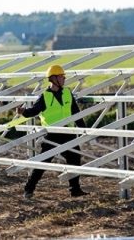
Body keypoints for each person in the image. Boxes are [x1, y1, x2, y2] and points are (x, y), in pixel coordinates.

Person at [16, 64, 88, 199]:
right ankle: (28, 189)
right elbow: (34, 111)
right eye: (61, 76)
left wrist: (84, 129)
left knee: (75, 159)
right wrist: (24, 112)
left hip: (68, 132)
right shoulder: (45, 96)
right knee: (43, 163)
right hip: (52, 134)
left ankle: (75, 190)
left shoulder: (67, 92)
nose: (64, 79)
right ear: (53, 78)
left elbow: (75, 112)